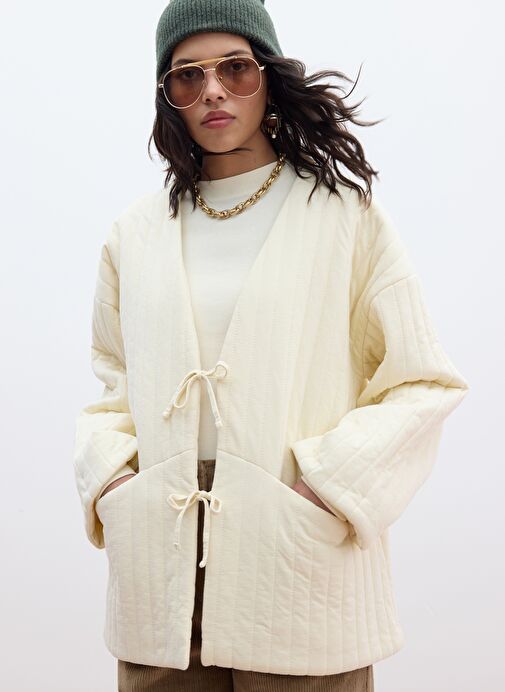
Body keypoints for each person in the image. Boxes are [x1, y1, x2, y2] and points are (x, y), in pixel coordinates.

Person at [72, 1, 470, 690]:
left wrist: (328, 485)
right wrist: (113, 482)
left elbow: (422, 380)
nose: (213, 91)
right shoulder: (134, 233)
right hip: (160, 563)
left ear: (269, 77)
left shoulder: (342, 215)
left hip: (295, 553)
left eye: (235, 68)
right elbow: (113, 380)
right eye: (187, 76)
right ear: (168, 96)